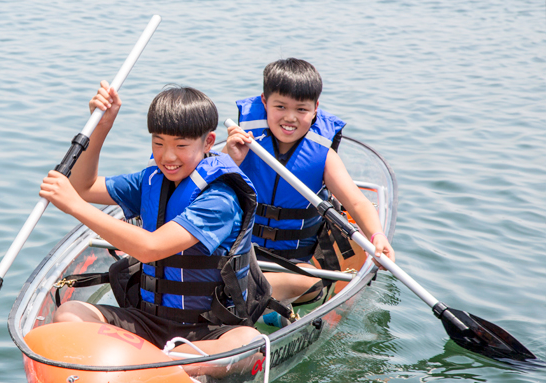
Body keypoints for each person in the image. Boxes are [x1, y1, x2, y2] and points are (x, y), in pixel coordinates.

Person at [39, 83, 269, 356]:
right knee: (69, 314)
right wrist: (102, 125)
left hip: (207, 330)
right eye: (158, 143)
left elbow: (150, 248)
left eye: (181, 145)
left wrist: (75, 207)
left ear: (208, 142)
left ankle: (156, 361)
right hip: (147, 322)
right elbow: (84, 187)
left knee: (247, 342)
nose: (167, 156)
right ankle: (151, 361)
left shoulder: (221, 199)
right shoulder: (151, 181)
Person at [224, 58, 395, 320]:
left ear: (315, 109)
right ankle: (264, 305)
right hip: (241, 253)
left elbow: (357, 203)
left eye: (301, 109)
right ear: (264, 103)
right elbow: (200, 190)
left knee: (314, 284)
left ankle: (256, 301)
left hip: (292, 264)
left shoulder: (323, 157)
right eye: (280, 106)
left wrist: (377, 237)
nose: (290, 118)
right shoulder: (242, 145)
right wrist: (228, 158)